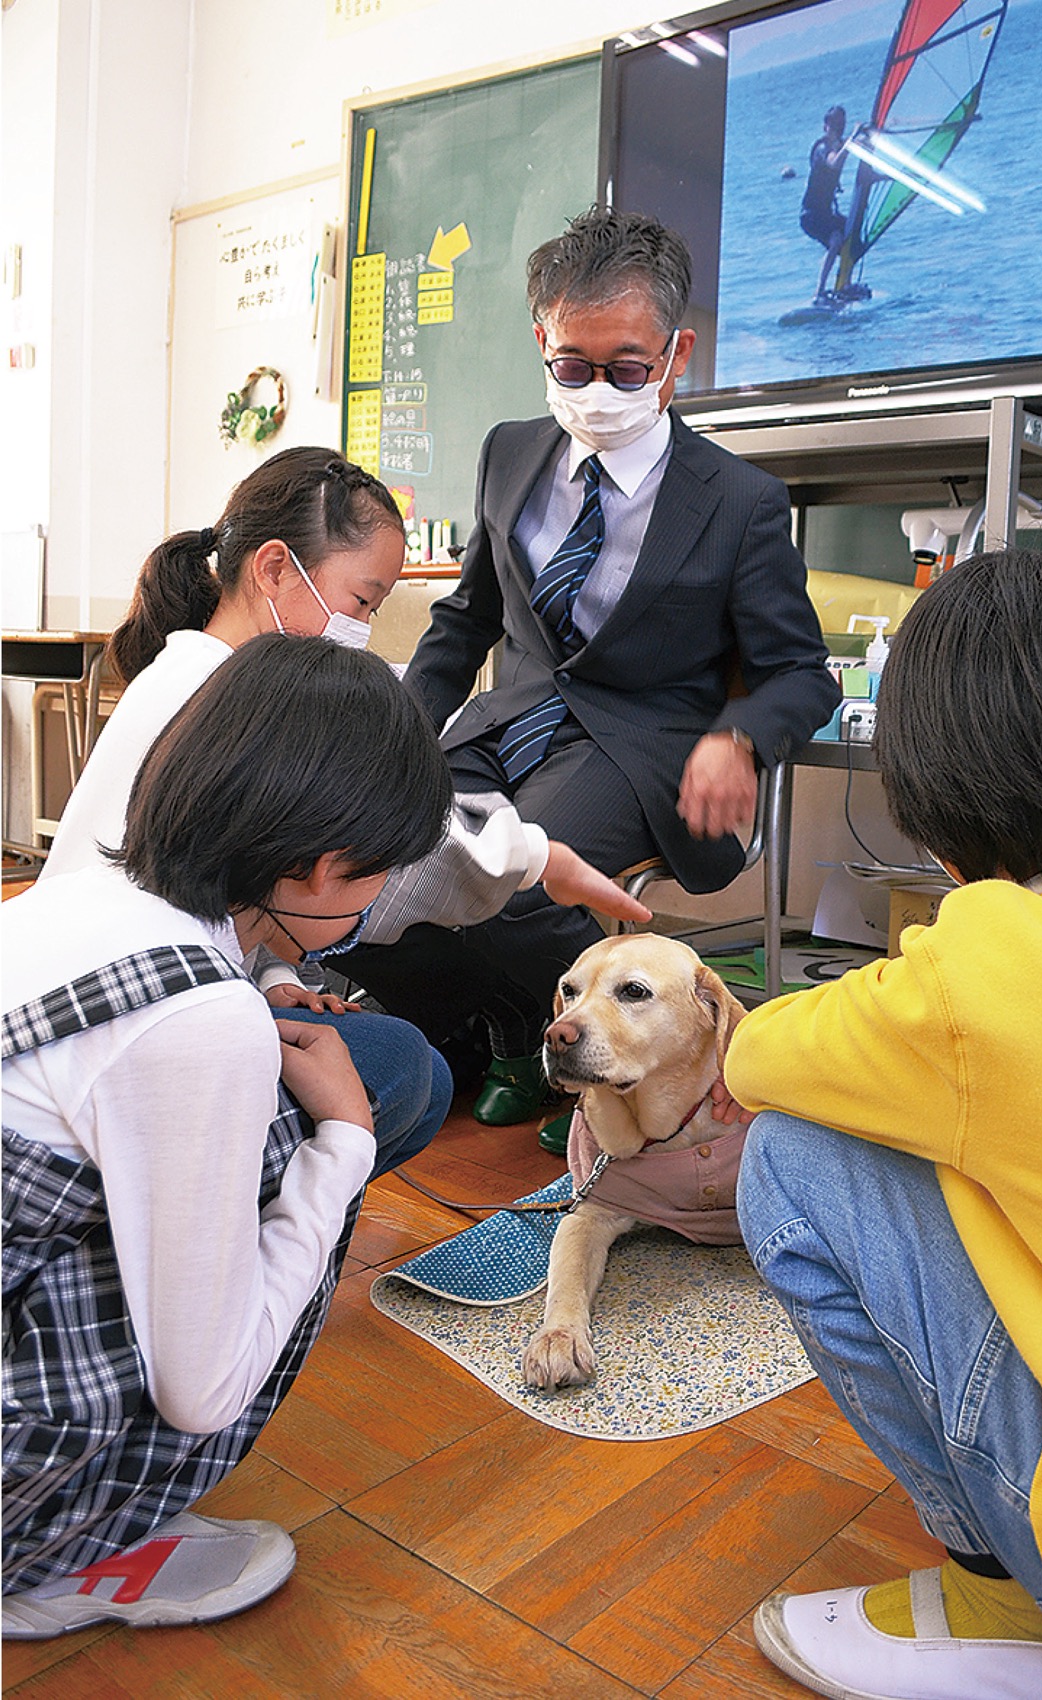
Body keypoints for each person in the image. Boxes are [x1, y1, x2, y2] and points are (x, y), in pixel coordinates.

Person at [725, 549, 1042, 1699]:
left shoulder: (986, 963)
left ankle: (1006, 1595)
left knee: (795, 1158)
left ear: (937, 800)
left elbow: (752, 1059)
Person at [342, 206, 839, 1152]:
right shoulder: (508, 452)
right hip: (510, 720)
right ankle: (489, 1032)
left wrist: (737, 736)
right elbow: (465, 623)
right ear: (542, 339)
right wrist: (387, 735)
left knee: (523, 879)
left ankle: (579, 1060)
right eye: (574, 365)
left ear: (676, 353)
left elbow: (800, 673)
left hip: (637, 747)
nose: (600, 388)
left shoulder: (739, 501)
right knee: (360, 854)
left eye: (627, 367)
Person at [2, 636, 453, 1636]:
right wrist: (345, 1142)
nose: (372, 898)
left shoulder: (72, 891)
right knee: (325, 1149)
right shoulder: (201, 1020)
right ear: (323, 862)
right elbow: (204, 1389)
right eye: (374, 872)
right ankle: (50, 1551)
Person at [43, 446, 648, 1146]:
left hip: (107, 995)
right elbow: (402, 843)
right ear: (273, 568)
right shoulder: (242, 699)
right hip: (132, 1023)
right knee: (402, 1068)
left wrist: (269, 973)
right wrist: (538, 857)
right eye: (361, 602)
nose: (359, 629)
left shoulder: (186, 670)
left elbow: (206, 881)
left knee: (399, 1052)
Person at [800, 105, 854, 300]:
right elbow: (835, 163)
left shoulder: (840, 146)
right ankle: (820, 291)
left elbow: (864, 168)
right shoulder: (822, 149)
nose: (838, 129)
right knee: (836, 240)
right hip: (811, 216)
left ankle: (844, 284)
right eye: (834, 125)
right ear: (825, 127)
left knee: (854, 232)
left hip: (826, 213)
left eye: (841, 125)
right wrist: (852, 141)